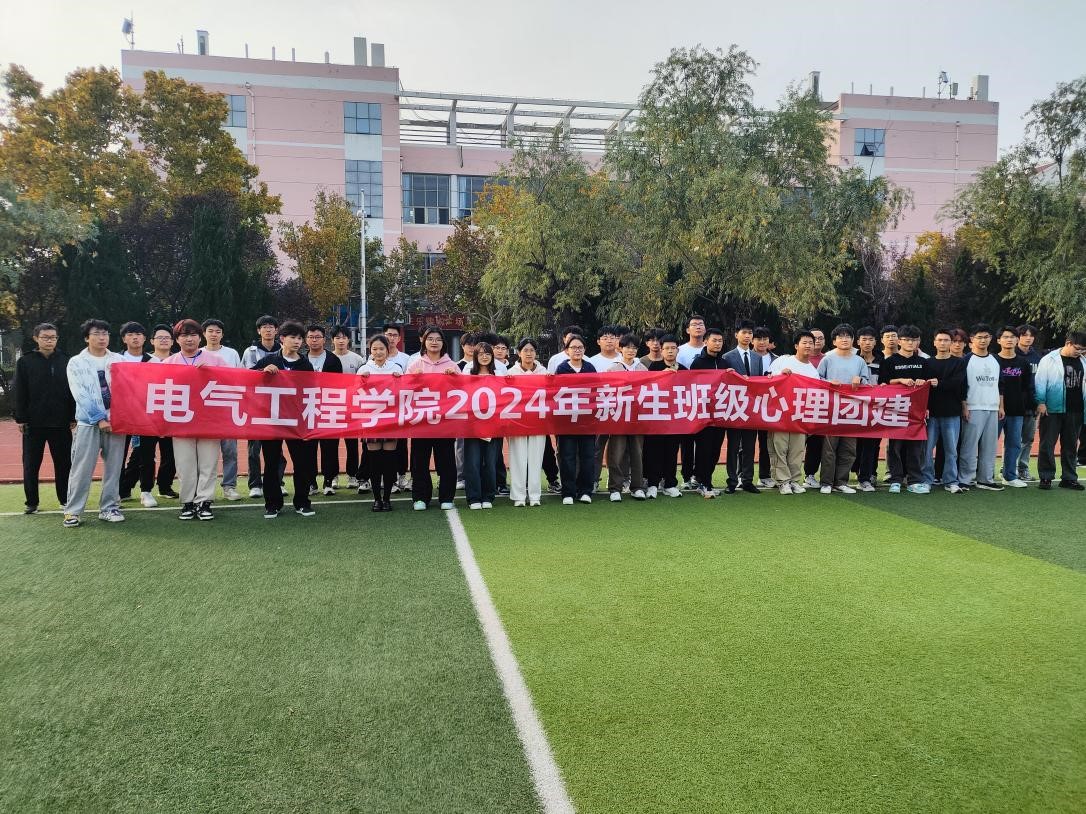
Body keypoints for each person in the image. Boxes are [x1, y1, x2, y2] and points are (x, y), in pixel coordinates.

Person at [62, 320, 126, 527]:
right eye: (97, 333)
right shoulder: (76, 362)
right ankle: (73, 511)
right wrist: (99, 419)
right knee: (81, 468)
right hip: (88, 423)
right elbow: (80, 393)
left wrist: (119, 418)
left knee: (114, 468)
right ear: (86, 338)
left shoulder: (119, 360)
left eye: (105, 333)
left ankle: (109, 507)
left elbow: (129, 390)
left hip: (116, 424)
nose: (102, 337)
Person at [250, 321, 317, 518]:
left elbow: (312, 391)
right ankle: (273, 504)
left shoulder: (305, 364)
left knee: (302, 462)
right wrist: (262, 372)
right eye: (292, 337)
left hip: (297, 421)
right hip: (272, 420)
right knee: (272, 463)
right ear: (282, 339)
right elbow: (247, 379)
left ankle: (302, 502)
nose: (297, 341)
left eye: (299, 338)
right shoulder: (269, 360)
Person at [165, 319, 225, 520]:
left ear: (200, 337)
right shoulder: (169, 362)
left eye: (193, 335)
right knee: (185, 464)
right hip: (180, 421)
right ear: (177, 339)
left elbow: (232, 381)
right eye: (184, 335)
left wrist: (213, 372)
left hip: (209, 420)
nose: (189, 339)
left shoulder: (215, 360)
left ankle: (204, 501)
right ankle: (188, 502)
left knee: (208, 462)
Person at [14, 322, 76, 514]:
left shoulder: (66, 360)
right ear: (36, 338)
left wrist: (73, 416)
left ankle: (65, 500)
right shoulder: (25, 362)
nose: (49, 341)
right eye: (45, 337)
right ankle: (31, 502)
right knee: (31, 465)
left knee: (64, 464)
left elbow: (73, 391)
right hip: (34, 423)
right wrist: (21, 418)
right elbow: (19, 392)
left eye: (53, 337)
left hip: (61, 422)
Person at [119, 323, 179, 506]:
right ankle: (121, 489)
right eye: (131, 334)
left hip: (154, 414)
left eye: (167, 337)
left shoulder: (159, 362)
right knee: (125, 455)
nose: (135, 337)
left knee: (153, 453)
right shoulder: (116, 359)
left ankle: (151, 489)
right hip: (124, 414)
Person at [406, 326, 460, 510]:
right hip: (421, 421)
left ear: (443, 343)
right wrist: (412, 379)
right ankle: (420, 497)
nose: (434, 342)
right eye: (430, 339)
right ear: (424, 341)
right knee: (419, 461)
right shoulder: (415, 364)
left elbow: (463, 391)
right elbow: (403, 391)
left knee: (446, 460)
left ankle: (446, 497)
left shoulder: (452, 365)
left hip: (445, 422)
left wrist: (455, 378)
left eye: (438, 339)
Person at [878, 325, 934, 493]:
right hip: (896, 409)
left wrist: (923, 384)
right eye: (907, 340)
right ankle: (895, 479)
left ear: (918, 342)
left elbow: (929, 386)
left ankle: (914, 480)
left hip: (917, 411)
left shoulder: (923, 362)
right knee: (895, 446)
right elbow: (883, 384)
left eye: (914, 340)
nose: (910, 343)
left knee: (915, 447)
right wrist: (900, 380)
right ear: (899, 341)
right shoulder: (889, 362)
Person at [816, 324, 869, 494]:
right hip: (831, 409)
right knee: (829, 448)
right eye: (840, 336)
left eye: (848, 336)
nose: (844, 339)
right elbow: (817, 380)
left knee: (849, 448)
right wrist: (828, 383)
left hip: (852, 410)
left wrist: (860, 381)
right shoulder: (827, 359)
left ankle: (841, 482)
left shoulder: (859, 361)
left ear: (853, 340)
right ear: (834, 341)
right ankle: (826, 482)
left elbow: (868, 383)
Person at [767, 331, 820, 494]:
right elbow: (768, 380)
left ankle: (795, 480)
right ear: (796, 345)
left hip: (799, 417)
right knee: (779, 448)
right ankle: (783, 481)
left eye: (811, 343)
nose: (808, 346)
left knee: (797, 451)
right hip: (780, 414)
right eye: (804, 342)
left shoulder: (813, 371)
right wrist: (780, 375)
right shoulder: (783, 361)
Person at [1034, 331, 1086, 491]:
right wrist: (1040, 402)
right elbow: (1040, 381)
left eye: (1083, 350)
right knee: (1047, 444)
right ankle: (1046, 477)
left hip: (1076, 409)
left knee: (1071, 445)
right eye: (1078, 348)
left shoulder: (1083, 361)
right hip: (1052, 408)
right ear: (1068, 343)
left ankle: (1069, 478)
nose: (1080, 352)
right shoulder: (1049, 359)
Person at [357, 335, 402, 511]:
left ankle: (387, 498)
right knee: (374, 461)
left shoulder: (396, 368)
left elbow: (403, 393)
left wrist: (399, 380)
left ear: (387, 350)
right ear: (370, 351)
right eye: (374, 349)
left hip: (391, 419)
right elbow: (356, 393)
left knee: (389, 461)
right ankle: (377, 499)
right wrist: (362, 381)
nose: (378, 352)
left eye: (381, 349)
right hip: (371, 420)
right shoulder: (364, 369)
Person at [241, 315, 283, 499]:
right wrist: (262, 371)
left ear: (276, 330)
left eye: (271, 326)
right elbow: (245, 376)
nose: (268, 330)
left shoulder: (284, 349)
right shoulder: (250, 352)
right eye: (264, 327)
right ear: (259, 331)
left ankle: (278, 482)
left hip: (278, 405)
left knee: (277, 448)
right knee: (254, 448)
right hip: (256, 405)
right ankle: (255, 484)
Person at [959, 323, 1004, 491]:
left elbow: (1000, 385)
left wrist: (1001, 406)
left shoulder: (996, 360)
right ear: (972, 339)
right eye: (979, 337)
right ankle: (965, 479)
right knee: (969, 446)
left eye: (986, 337)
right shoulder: (966, 360)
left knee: (990, 447)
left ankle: (985, 479)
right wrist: (965, 406)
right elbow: (962, 386)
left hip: (992, 408)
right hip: (973, 407)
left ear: (991, 339)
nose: (983, 340)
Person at [201, 318, 243, 501]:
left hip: (227, 407)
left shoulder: (232, 353)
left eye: (218, 331)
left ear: (222, 334)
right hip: (204, 410)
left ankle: (229, 486)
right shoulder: (197, 353)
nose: (214, 334)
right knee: (206, 453)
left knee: (230, 451)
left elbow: (240, 377)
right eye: (210, 331)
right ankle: (205, 489)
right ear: (204, 334)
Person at [923, 329, 967, 494]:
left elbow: (958, 383)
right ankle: (927, 480)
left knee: (951, 451)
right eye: (940, 340)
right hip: (931, 414)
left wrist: (939, 383)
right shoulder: (927, 363)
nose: (943, 343)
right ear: (934, 342)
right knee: (927, 450)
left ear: (951, 343)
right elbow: (923, 389)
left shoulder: (959, 363)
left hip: (952, 413)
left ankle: (951, 481)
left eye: (946, 340)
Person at [689, 328, 732, 498]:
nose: (718, 344)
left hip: (720, 415)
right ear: (706, 341)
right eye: (714, 340)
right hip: (703, 416)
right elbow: (691, 386)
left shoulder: (725, 364)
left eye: (720, 341)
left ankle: (706, 481)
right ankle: (703, 483)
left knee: (715, 451)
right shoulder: (697, 363)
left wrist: (732, 376)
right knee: (704, 450)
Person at [506, 338, 549, 507]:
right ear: (519, 353)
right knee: (518, 458)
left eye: (532, 350)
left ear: (536, 353)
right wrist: (506, 380)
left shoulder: (544, 372)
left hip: (538, 421)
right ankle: (518, 496)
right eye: (525, 350)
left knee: (536, 459)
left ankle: (535, 496)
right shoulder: (511, 372)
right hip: (517, 421)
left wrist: (551, 380)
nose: (529, 353)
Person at [555, 335, 597, 504]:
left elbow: (596, 392)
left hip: (587, 421)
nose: (577, 350)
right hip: (566, 422)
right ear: (567, 351)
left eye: (580, 347)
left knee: (588, 456)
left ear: (584, 350)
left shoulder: (590, 368)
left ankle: (585, 491)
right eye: (573, 347)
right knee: (567, 457)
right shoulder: (561, 369)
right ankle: (568, 492)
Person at [606, 334, 648, 502]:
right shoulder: (613, 369)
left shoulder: (642, 368)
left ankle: (637, 487)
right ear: (620, 349)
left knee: (637, 453)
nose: (631, 350)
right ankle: (615, 488)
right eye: (628, 347)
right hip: (618, 417)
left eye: (634, 348)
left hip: (637, 418)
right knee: (616, 453)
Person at [722, 319, 762, 494]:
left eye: (750, 333)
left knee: (749, 446)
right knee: (733, 446)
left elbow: (759, 381)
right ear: (736, 334)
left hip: (751, 408)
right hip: (734, 407)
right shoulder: (727, 357)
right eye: (744, 332)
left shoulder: (757, 358)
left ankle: (747, 480)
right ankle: (732, 481)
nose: (747, 336)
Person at [644, 334, 686, 498]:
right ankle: (653, 484)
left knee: (672, 451)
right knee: (654, 451)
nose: (670, 351)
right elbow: (646, 388)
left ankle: (670, 484)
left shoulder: (684, 370)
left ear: (678, 350)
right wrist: (662, 375)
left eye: (673, 348)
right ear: (661, 350)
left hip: (676, 418)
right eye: (666, 348)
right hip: (656, 417)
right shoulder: (654, 368)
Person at [462, 342, 502, 509]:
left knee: (490, 462)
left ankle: (488, 496)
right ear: (475, 356)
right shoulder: (467, 374)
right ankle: (473, 497)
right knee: (473, 462)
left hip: (494, 425)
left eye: (488, 353)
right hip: (472, 425)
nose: (484, 357)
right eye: (481, 354)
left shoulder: (499, 373)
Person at [305, 323, 344, 496]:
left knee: (330, 447)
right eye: (311, 337)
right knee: (308, 448)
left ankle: (329, 481)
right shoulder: (301, 359)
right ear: (306, 340)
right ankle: (311, 482)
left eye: (317, 337)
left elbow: (338, 385)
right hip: (307, 409)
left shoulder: (333, 360)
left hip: (329, 408)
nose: (314, 340)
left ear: (324, 339)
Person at [995, 326, 1034, 488]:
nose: (1009, 340)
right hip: (995, 410)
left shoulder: (1023, 363)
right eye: (1005, 337)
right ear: (998, 340)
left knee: (1014, 444)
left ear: (1017, 340)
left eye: (1012, 337)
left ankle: (1009, 476)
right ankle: (983, 475)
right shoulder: (993, 360)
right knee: (989, 444)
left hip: (1017, 410)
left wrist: (1029, 406)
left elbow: (1027, 387)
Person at [330, 325, 365, 490]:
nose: (341, 341)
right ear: (332, 340)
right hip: (332, 407)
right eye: (337, 338)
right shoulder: (328, 358)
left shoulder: (357, 359)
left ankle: (353, 475)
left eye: (344, 337)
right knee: (331, 444)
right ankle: (332, 476)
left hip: (352, 407)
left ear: (348, 340)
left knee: (352, 444)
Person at [382, 323, 411, 493]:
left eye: (394, 335)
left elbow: (410, 382)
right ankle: (385, 478)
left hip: (400, 408)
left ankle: (401, 475)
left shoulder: (406, 359)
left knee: (401, 444)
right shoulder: (373, 357)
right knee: (381, 445)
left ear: (399, 338)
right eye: (388, 334)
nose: (391, 338)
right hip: (380, 410)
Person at [853, 326, 881, 491]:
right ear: (858, 342)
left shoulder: (882, 361)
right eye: (864, 339)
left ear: (876, 342)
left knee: (872, 444)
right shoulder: (852, 359)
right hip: (854, 408)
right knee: (854, 443)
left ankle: (868, 475)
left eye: (871, 339)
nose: (867, 343)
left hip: (876, 408)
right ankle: (855, 471)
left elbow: (887, 381)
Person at [1014, 324, 1042, 481]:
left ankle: (1023, 468)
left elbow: (1039, 382)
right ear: (1018, 337)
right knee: (1013, 438)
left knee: (1028, 438)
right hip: (1013, 405)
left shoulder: (1037, 358)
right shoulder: (1011, 355)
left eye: (1031, 335)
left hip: (1032, 405)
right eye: (1024, 335)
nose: (1028, 338)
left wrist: (1038, 402)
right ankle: (1008, 467)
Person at [752, 327, 777, 488]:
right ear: (752, 341)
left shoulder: (777, 360)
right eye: (758, 339)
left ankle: (764, 475)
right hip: (748, 404)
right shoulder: (747, 356)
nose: (762, 342)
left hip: (769, 406)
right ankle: (742, 475)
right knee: (744, 444)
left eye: (765, 339)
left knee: (766, 443)